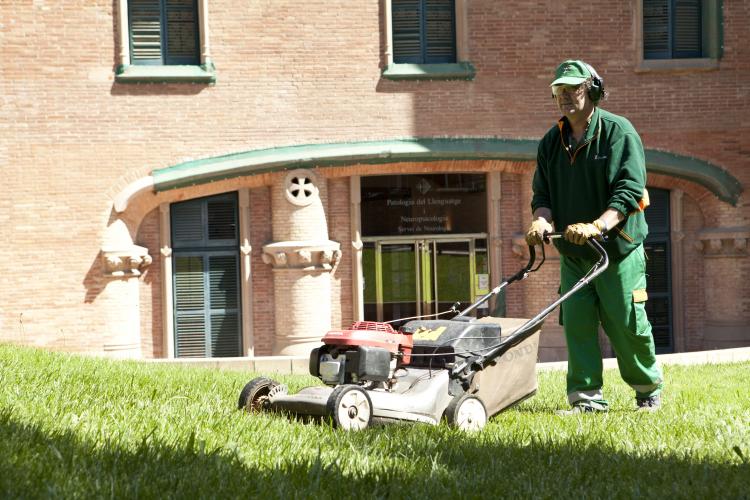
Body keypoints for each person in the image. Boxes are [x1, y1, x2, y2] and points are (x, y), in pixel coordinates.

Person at [525, 60, 663, 414]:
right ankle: (586, 399)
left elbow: (630, 191)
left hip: (617, 249)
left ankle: (647, 390)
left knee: (626, 321)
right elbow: (542, 196)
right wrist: (541, 221)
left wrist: (598, 226)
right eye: (560, 90)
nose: (565, 96)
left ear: (594, 91)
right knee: (577, 322)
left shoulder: (619, 132)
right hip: (573, 252)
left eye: (574, 89)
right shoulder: (550, 143)